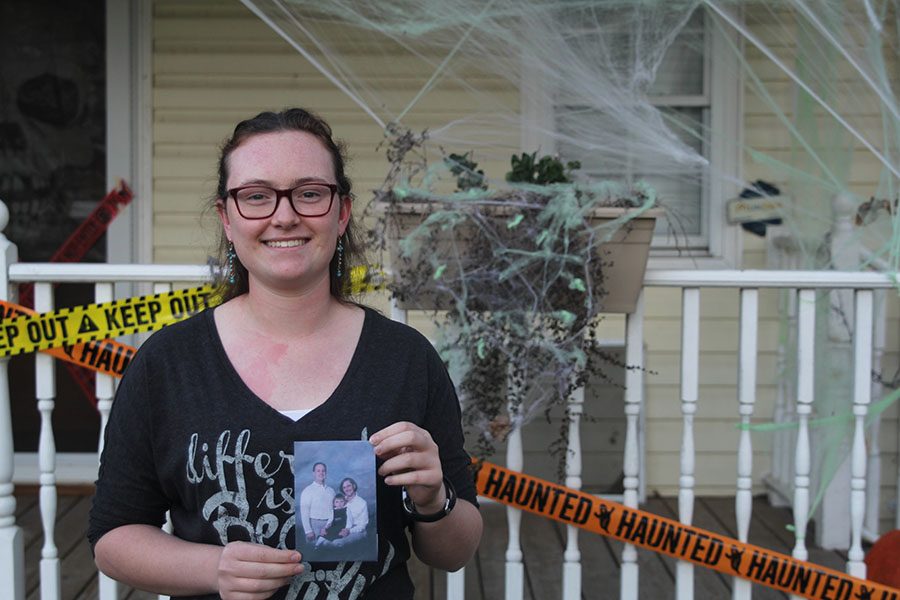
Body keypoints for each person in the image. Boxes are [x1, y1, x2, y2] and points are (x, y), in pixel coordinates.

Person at [88, 108, 483, 600]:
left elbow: (455, 551)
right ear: (227, 218)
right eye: (256, 196)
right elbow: (112, 537)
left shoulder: (407, 360)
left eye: (310, 193)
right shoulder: (167, 364)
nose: (284, 215)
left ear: (341, 213)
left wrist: (433, 499)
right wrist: (215, 568)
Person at [298, 462, 335, 543]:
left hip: (329, 525)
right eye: (318, 471)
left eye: (323, 471)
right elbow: (304, 512)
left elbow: (334, 509)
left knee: (331, 550)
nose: (321, 473)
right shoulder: (307, 490)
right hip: (314, 525)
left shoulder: (331, 490)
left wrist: (329, 524)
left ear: (326, 473)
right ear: (313, 473)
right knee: (316, 552)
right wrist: (308, 531)